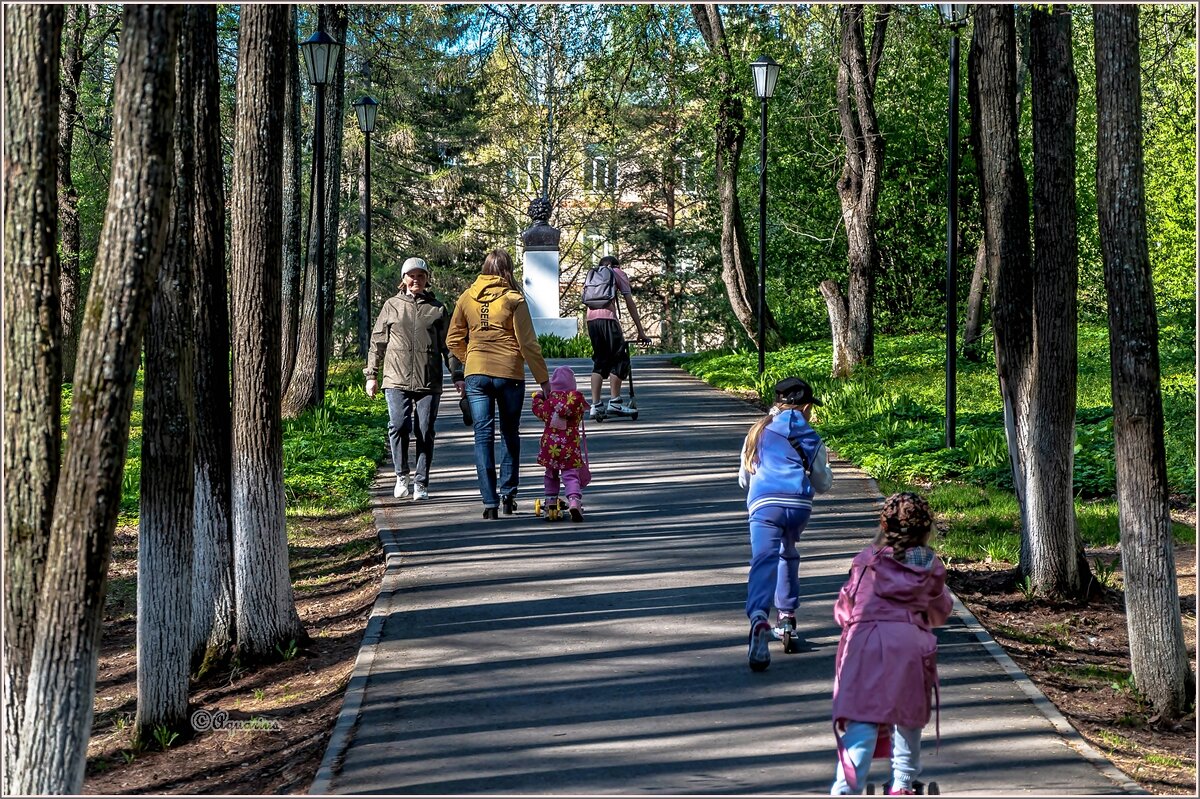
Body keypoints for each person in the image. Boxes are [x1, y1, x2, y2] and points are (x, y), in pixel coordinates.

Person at [829, 492, 952, 796]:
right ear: (925, 530)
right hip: (909, 645)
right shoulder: (929, 566)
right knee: (907, 716)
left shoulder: (866, 561)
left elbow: (844, 609)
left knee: (863, 717)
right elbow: (939, 611)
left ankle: (846, 788)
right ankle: (902, 784)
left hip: (864, 643)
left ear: (884, 526)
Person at [738, 376, 834, 672]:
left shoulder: (758, 431)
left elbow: (744, 478)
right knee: (787, 552)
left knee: (764, 560)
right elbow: (823, 483)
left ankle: (758, 618)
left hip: (764, 505)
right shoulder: (811, 437)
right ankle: (787, 616)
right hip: (797, 505)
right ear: (805, 407)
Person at [447, 248, 550, 520]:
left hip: (476, 374)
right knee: (509, 433)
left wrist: (468, 358)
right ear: (507, 270)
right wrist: (544, 381)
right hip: (509, 373)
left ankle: (489, 503)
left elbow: (453, 339)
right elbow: (528, 344)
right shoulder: (514, 299)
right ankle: (508, 494)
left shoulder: (466, 298)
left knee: (482, 436)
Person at [364, 257, 463, 501]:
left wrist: (457, 375)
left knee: (425, 429)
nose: (416, 279)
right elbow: (377, 342)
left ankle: (421, 482)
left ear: (427, 279)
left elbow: (448, 346)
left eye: (420, 275)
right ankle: (401, 475)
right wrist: (371, 375)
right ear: (404, 279)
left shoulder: (437, 308)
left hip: (429, 381)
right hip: (395, 378)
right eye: (412, 275)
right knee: (398, 425)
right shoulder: (392, 305)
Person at [583, 255, 650, 419]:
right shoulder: (617, 272)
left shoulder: (592, 275)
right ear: (615, 265)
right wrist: (640, 331)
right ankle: (615, 402)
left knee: (600, 360)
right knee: (620, 359)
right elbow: (629, 302)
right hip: (608, 319)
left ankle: (596, 405)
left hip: (591, 320)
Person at [532, 365, 591, 522]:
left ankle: (551, 501)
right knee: (571, 475)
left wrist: (538, 397)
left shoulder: (549, 403)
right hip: (570, 447)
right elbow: (582, 411)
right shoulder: (576, 402)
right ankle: (574, 501)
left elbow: (537, 410)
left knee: (551, 474)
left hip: (550, 448)